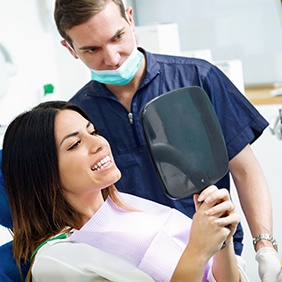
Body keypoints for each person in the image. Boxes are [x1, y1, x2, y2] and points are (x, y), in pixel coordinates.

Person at [53, 0, 281, 280]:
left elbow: (245, 170)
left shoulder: (198, 79)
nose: (112, 58)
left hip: (218, 254)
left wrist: (265, 245)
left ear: (130, 19)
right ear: (69, 49)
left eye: (117, 37)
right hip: (140, 264)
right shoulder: (78, 120)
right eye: (92, 49)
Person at [2, 100, 250, 281]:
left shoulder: (128, 206)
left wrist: (221, 237)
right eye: (75, 144)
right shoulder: (56, 261)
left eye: (93, 132)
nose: (99, 143)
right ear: (45, 174)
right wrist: (198, 249)